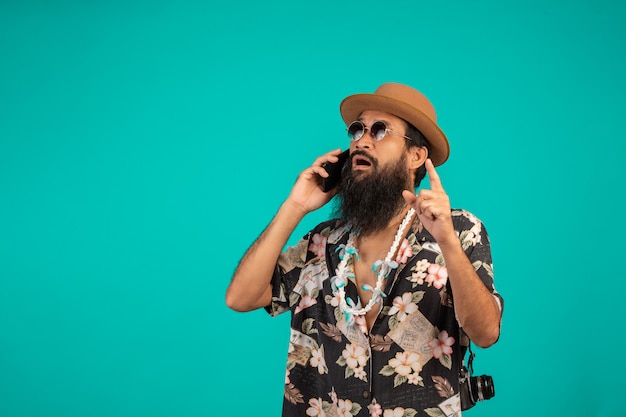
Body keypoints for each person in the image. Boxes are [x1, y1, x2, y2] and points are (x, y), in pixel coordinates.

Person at [226, 82, 503, 417]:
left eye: (380, 130)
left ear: (415, 155)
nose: (362, 140)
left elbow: (486, 332)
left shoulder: (459, 231)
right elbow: (240, 298)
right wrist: (295, 206)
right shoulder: (323, 243)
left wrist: (446, 243)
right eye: (357, 130)